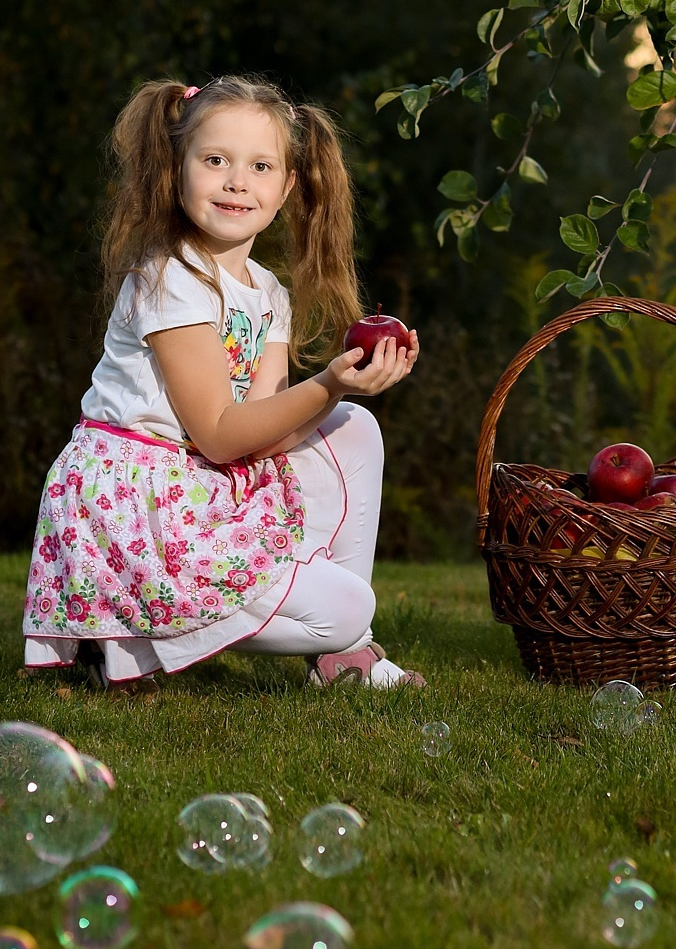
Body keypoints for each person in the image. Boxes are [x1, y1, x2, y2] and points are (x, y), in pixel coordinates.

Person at [23, 73, 423, 691]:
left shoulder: (269, 295)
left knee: (354, 429)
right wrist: (328, 384)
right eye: (215, 160)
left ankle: (344, 654)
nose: (238, 181)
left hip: (197, 484)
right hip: (139, 505)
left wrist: (345, 392)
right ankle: (137, 632)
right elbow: (218, 435)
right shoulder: (170, 278)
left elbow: (261, 434)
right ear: (176, 168)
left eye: (261, 166)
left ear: (288, 185)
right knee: (346, 609)